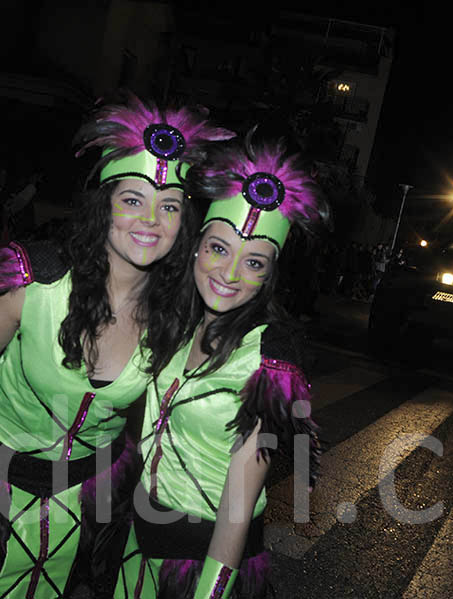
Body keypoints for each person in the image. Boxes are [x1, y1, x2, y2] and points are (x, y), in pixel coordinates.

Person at [0, 93, 234, 598]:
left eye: (169, 206)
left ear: (185, 225)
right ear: (104, 204)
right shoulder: (38, 278)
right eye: (133, 199)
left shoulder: (179, 317)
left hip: (83, 502)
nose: (150, 219)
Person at [113, 136, 325, 599]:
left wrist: (210, 592)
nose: (229, 274)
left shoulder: (268, 366)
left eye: (253, 262)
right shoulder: (174, 324)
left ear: (269, 276)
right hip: (138, 545)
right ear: (195, 249)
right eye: (218, 249)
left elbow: (237, 511)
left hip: (202, 563)